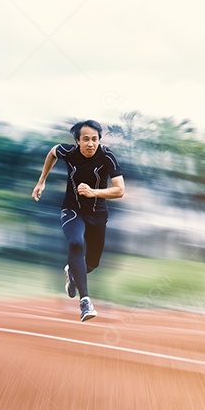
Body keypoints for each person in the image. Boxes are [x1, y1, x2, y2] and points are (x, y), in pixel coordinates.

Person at [31, 120, 125, 321]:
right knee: (75, 243)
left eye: (95, 139)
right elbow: (53, 152)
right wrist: (41, 181)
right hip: (72, 210)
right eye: (86, 139)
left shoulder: (107, 156)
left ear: (99, 140)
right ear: (77, 141)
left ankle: (72, 273)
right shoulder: (69, 152)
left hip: (98, 215)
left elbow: (120, 190)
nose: (91, 144)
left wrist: (94, 193)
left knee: (92, 263)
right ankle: (85, 302)